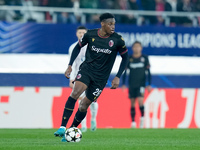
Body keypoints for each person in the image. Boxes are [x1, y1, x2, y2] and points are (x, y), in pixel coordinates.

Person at [54, 13, 129, 142]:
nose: (113, 26)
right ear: (103, 24)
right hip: (87, 70)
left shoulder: (117, 40)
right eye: (110, 24)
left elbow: (125, 57)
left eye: (114, 24)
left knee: (84, 105)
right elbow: (77, 48)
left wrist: (117, 77)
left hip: (101, 78)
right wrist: (70, 65)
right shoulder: (90, 34)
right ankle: (62, 127)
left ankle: (71, 130)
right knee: (75, 92)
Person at [68, 26, 98, 132]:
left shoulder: (92, 46)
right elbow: (72, 64)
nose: (81, 34)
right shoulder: (73, 48)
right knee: (80, 101)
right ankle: (83, 124)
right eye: (79, 32)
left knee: (92, 100)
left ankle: (93, 119)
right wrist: (71, 79)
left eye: (83, 32)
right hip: (79, 77)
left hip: (92, 76)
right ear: (76, 34)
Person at [122, 41, 152, 128]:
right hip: (132, 84)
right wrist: (123, 84)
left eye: (138, 47)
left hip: (141, 84)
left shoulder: (145, 58)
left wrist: (149, 84)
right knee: (132, 103)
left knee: (140, 101)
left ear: (141, 48)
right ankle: (133, 122)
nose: (136, 48)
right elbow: (125, 71)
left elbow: (148, 72)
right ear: (132, 48)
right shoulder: (130, 58)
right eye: (135, 47)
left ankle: (142, 119)